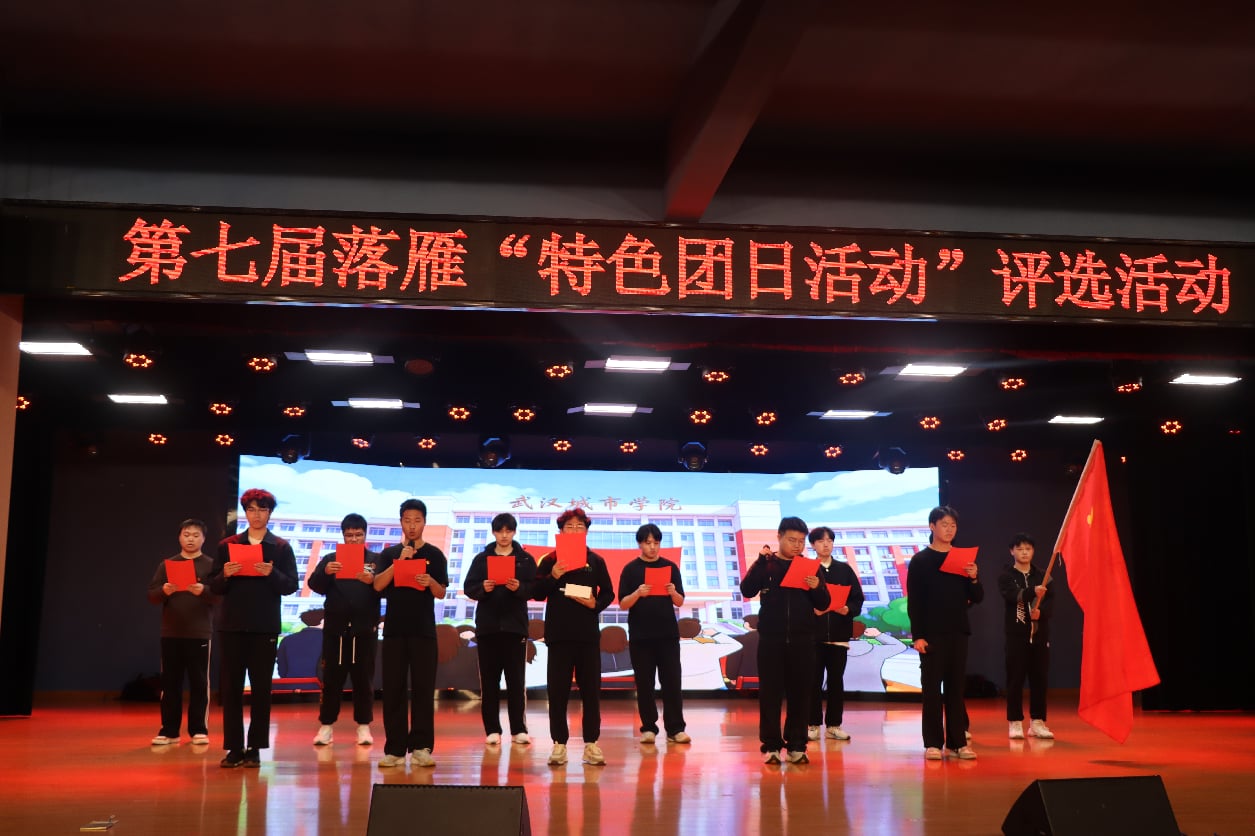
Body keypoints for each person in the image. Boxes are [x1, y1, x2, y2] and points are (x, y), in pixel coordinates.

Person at [208, 489, 299, 768]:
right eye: (251, 509)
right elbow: (213, 585)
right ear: (245, 512)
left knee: (261, 689)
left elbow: (291, 585)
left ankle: (255, 748)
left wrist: (272, 573)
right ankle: (234, 748)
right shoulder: (228, 545)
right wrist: (225, 574)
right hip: (232, 626)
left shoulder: (280, 547)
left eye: (262, 509)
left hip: (264, 627)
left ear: (270, 513)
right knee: (231, 689)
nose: (256, 515)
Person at [740, 516, 831, 764]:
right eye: (792, 540)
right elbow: (747, 590)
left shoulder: (810, 567)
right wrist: (759, 562)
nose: (797, 545)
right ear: (779, 537)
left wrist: (816, 586)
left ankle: (797, 746)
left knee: (800, 694)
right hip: (772, 640)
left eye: (801, 541)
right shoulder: (767, 564)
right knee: (770, 694)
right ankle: (771, 746)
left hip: (803, 640)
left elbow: (824, 603)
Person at [532, 507, 615, 767]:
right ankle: (559, 744)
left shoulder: (596, 560)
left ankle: (591, 744)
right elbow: (536, 592)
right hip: (559, 635)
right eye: (569, 526)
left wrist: (595, 604)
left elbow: (609, 593)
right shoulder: (549, 560)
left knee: (591, 692)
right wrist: (553, 576)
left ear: (586, 532)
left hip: (587, 635)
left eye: (580, 527)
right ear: (561, 531)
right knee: (558, 692)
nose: (575, 530)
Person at [372, 498, 448, 768]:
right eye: (407, 520)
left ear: (424, 522)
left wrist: (430, 582)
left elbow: (441, 592)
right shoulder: (389, 554)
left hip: (423, 631)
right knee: (393, 689)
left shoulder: (435, 555)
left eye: (417, 520)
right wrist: (398, 563)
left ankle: (421, 747)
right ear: (401, 523)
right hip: (394, 631)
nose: (412, 525)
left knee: (423, 690)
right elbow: (377, 586)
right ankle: (394, 748)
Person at [906, 505, 983, 761]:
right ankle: (932, 743)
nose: (949, 529)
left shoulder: (963, 559)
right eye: (944, 525)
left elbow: (977, 597)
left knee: (955, 690)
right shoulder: (920, 561)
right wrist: (918, 636)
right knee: (931, 691)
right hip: (931, 634)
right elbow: (915, 602)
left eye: (953, 525)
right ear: (932, 527)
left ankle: (958, 743)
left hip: (958, 631)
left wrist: (974, 577)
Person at [462, 512, 538, 746]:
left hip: (515, 629)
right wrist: (483, 588)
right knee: (489, 682)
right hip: (488, 628)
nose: (504, 535)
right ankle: (492, 730)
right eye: (500, 531)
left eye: (508, 531)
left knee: (516, 682)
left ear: (514, 532)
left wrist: (519, 587)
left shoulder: (525, 559)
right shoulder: (482, 559)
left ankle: (519, 729)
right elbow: (469, 587)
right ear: (494, 532)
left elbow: (535, 589)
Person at [307, 513, 382, 747]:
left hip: (364, 630)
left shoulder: (376, 560)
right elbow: (314, 585)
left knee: (363, 680)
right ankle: (326, 726)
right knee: (331, 680)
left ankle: (364, 726)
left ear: (365, 535)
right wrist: (325, 572)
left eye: (358, 535)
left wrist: (373, 580)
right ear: (343, 536)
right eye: (349, 535)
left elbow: (386, 588)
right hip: (335, 630)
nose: (354, 539)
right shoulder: (331, 559)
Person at [146, 518, 218, 746]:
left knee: (199, 683)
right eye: (186, 534)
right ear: (179, 537)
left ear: (203, 539)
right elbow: (152, 595)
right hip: (171, 632)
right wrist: (165, 590)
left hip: (199, 633)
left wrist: (203, 590)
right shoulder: (167, 565)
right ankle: (169, 730)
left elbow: (219, 597)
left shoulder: (211, 565)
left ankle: (198, 730)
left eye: (196, 535)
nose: (190, 539)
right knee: (170, 683)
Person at [617, 523, 690, 746]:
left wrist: (673, 592)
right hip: (641, 637)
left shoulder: (670, 567)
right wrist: (638, 593)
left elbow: (680, 601)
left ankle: (676, 729)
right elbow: (622, 603)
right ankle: (648, 727)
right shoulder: (630, 569)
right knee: (645, 684)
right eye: (648, 543)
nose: (652, 547)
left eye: (656, 543)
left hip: (667, 636)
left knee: (672, 683)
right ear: (640, 544)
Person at [806, 526, 865, 742]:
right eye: (821, 541)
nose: (826, 544)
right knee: (813, 681)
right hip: (813, 636)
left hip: (839, 635)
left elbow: (857, 598)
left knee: (836, 682)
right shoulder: (808, 569)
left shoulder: (844, 570)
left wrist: (848, 608)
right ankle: (812, 724)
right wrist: (812, 609)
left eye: (829, 540)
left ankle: (833, 725)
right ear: (813, 545)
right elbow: (799, 599)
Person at [997, 532, 1055, 740]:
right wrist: (1033, 591)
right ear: (1012, 551)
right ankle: (1015, 722)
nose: (1024, 552)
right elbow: (1013, 595)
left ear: (1033, 551)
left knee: (1039, 679)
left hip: (1039, 637)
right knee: (1015, 680)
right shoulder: (1006, 576)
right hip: (1016, 637)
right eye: (1020, 549)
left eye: (1028, 548)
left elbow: (1051, 602)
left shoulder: (1044, 576)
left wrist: (1042, 613)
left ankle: (1038, 722)